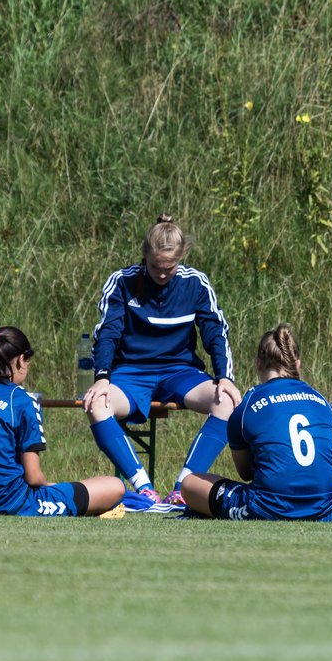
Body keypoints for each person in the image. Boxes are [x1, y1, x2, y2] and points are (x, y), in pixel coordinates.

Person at [83, 215, 241, 505]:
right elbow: (107, 333)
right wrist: (102, 377)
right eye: (156, 266)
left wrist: (225, 377)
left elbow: (215, 332)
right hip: (131, 372)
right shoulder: (122, 282)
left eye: (170, 267)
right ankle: (144, 487)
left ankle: (183, 488)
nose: (163, 273)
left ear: (181, 258)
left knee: (227, 401)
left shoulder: (196, 284)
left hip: (180, 372)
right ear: (145, 255)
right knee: (96, 404)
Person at [0, 327, 124, 516]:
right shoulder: (20, 399)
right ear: (21, 360)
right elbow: (33, 477)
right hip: (12, 504)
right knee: (115, 486)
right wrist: (49, 486)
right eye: (27, 361)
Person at [180, 324, 332, 521]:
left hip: (269, 509)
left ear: (257, 362)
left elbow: (246, 473)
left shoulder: (247, 404)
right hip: (327, 510)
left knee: (189, 484)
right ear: (297, 363)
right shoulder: (321, 400)